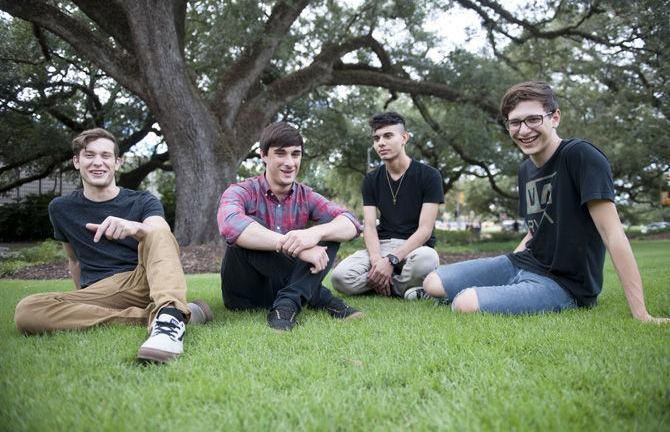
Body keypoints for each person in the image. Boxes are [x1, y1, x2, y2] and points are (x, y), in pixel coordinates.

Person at [423, 81, 669, 322]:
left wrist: (641, 313)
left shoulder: (580, 156)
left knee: (465, 303)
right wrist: (508, 267)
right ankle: (509, 286)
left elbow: (613, 234)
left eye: (533, 119)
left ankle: (501, 293)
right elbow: (535, 230)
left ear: (555, 118)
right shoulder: (525, 170)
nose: (524, 130)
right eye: (515, 123)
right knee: (433, 282)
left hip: (565, 283)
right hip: (525, 262)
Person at [14, 128, 213, 363]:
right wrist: (83, 302)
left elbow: (161, 233)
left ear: (117, 163)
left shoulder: (142, 201)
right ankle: (174, 315)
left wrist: (134, 227)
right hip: (100, 291)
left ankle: (168, 320)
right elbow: (74, 259)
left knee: (158, 232)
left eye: (106, 156)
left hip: (142, 280)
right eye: (89, 155)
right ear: (76, 161)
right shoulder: (60, 208)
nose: (98, 162)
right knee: (28, 310)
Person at [217, 122, 363, 331]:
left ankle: (287, 305)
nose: (289, 162)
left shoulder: (306, 195)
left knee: (330, 228)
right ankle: (321, 297)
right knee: (251, 226)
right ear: (263, 155)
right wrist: (295, 247)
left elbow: (351, 223)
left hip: (285, 286)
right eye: (280, 154)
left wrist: (314, 233)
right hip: (245, 294)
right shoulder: (241, 191)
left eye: (296, 154)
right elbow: (230, 225)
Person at [330, 112, 444, 299]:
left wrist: (391, 261)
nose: (381, 143)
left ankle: (383, 284)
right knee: (340, 278)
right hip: (381, 245)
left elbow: (425, 230)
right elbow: (369, 226)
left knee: (427, 259)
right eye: (376, 138)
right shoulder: (371, 180)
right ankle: (403, 288)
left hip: (414, 247)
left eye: (388, 136)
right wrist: (377, 262)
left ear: (404, 138)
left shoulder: (430, 176)